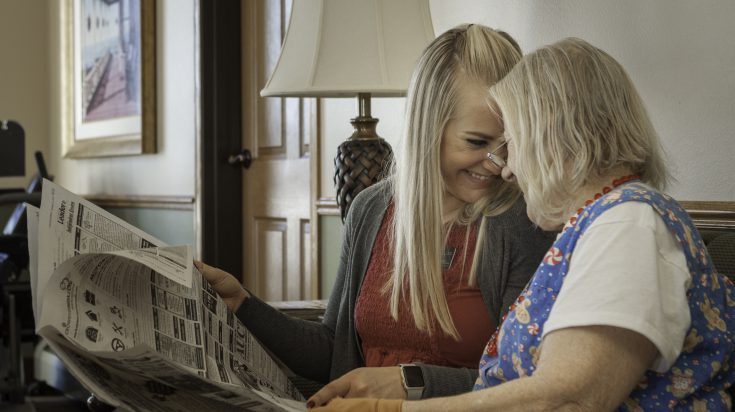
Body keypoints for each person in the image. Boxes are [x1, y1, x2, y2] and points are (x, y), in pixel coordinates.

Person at [311, 38, 735, 411]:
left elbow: (568, 400)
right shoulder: (601, 223)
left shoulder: (630, 225)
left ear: (555, 136)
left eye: (512, 143)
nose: (506, 169)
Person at [196, 24, 554, 402]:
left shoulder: (522, 221)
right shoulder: (371, 209)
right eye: (477, 142)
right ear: (427, 128)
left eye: (509, 142)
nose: (498, 164)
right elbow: (334, 352)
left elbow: (527, 385)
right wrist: (243, 305)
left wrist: (409, 382)